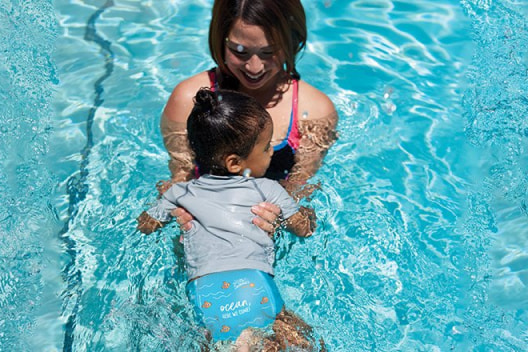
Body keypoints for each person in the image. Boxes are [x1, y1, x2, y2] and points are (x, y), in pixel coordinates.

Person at [138, 88, 321, 350]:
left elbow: (145, 227)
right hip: (253, 284)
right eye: (267, 147)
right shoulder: (266, 189)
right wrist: (303, 209)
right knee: (303, 340)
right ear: (235, 163)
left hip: (205, 292)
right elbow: (303, 230)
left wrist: (162, 198)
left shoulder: (181, 193)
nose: (271, 153)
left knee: (209, 343)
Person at [160, 0, 338, 234]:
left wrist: (282, 219)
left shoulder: (314, 111)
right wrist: (178, 210)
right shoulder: (188, 99)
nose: (254, 68)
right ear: (220, 39)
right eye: (239, 52)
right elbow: (181, 178)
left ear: (291, 41)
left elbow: (301, 199)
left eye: (269, 52)